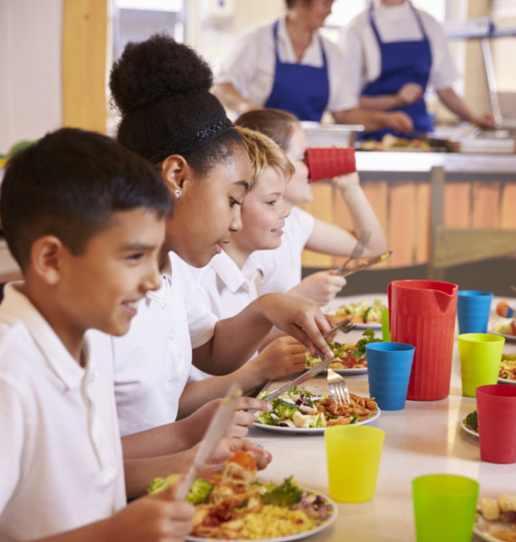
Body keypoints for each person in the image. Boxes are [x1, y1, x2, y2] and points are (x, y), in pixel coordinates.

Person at [0, 128, 253, 542]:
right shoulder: (11, 374)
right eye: (134, 257)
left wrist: (188, 456)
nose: (154, 281)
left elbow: (90, 477)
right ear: (51, 260)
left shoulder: (88, 340)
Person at [108, 34, 332, 457]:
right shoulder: (106, 297)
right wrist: (187, 439)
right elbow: (82, 458)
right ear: (176, 177)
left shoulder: (174, 271)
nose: (235, 221)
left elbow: (210, 349)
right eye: (232, 200)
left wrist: (267, 308)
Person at [180, 127, 309, 413]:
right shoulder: (195, 279)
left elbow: (239, 354)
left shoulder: (246, 272)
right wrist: (260, 368)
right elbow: (176, 402)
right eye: (272, 201)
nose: (286, 211)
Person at [236, 108, 388, 306]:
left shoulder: (294, 221)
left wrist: (351, 189)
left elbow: (372, 247)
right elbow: (239, 332)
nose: (312, 167)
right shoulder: (253, 240)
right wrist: (300, 297)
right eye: (303, 158)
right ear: (273, 162)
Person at [213, 0, 412, 133]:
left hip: (306, 154)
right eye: (325, 4)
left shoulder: (332, 53)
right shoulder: (257, 40)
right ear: (301, 2)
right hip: (257, 150)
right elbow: (222, 87)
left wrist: (385, 119)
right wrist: (245, 106)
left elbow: (344, 113)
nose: (330, 11)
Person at [340, 0, 495, 139]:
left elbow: (445, 89)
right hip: (372, 139)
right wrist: (396, 100)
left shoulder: (429, 24)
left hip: (420, 136)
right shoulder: (358, 28)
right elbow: (347, 103)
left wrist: (474, 119)